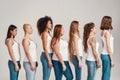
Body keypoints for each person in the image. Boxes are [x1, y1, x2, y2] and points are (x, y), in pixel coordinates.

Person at [37, 16, 53, 80]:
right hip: (46, 55)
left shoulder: (49, 33)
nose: (51, 24)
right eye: (49, 23)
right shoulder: (44, 34)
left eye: (51, 23)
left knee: (48, 75)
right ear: (45, 24)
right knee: (46, 76)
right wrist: (49, 60)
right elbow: (45, 47)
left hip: (50, 54)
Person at [100, 16, 115, 80]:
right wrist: (112, 59)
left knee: (104, 73)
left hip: (103, 54)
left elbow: (103, 45)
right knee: (107, 75)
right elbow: (108, 46)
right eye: (110, 22)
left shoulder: (102, 32)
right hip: (107, 55)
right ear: (108, 23)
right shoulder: (107, 33)